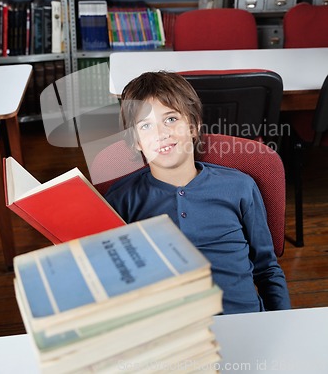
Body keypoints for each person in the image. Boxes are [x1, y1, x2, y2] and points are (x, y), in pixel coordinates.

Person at [105, 71, 291, 314]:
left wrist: (281, 322)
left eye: (171, 119)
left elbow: (267, 269)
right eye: (146, 125)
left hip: (242, 323)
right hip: (169, 331)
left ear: (193, 126)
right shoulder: (121, 199)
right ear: (136, 141)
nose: (161, 134)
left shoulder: (239, 186)